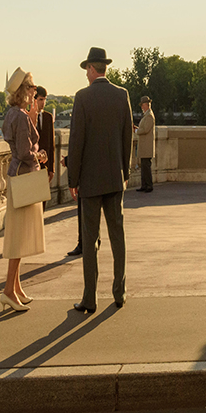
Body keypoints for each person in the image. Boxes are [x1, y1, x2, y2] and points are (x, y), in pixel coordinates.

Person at [68, 47, 133, 313]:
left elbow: (76, 142)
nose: (86, 75)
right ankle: (119, 292)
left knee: (90, 240)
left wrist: (73, 178)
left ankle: (89, 298)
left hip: (90, 182)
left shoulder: (83, 97)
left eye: (86, 70)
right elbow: (127, 136)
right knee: (117, 236)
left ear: (92, 69)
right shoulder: (122, 95)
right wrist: (125, 173)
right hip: (115, 179)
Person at [0, 68, 47, 312]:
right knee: (19, 238)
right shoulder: (19, 116)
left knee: (18, 235)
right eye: (32, 88)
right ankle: (8, 290)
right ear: (23, 91)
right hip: (23, 178)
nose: (34, 92)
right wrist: (39, 155)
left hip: (15, 176)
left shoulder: (13, 114)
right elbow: (24, 152)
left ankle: (15, 286)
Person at [30, 85, 55, 210]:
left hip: (44, 165)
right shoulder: (28, 116)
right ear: (34, 100)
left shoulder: (48, 117)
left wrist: (52, 168)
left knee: (43, 200)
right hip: (32, 164)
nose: (43, 103)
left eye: (45, 99)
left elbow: (51, 145)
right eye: (40, 99)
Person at [135, 95, 156, 193]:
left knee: (146, 167)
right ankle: (144, 185)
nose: (141, 107)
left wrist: (136, 131)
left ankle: (148, 185)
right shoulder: (147, 115)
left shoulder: (149, 116)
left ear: (146, 105)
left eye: (142, 105)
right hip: (145, 147)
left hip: (146, 147)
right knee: (144, 167)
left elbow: (145, 130)